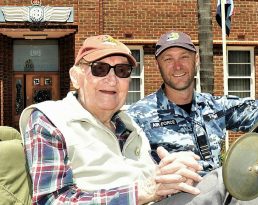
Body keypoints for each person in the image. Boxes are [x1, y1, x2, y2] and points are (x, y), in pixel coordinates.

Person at [127, 31, 258, 203]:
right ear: (157, 65)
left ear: (196, 60)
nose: (177, 66)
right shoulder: (138, 115)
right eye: (168, 59)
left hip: (221, 193)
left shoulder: (213, 106)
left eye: (184, 57)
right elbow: (122, 169)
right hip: (180, 196)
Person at [19, 35, 203, 205]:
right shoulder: (49, 119)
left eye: (122, 71)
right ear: (76, 77)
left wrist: (171, 174)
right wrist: (142, 192)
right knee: (220, 185)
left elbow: (151, 181)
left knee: (218, 185)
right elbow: (52, 200)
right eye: (100, 68)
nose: (112, 79)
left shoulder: (129, 125)